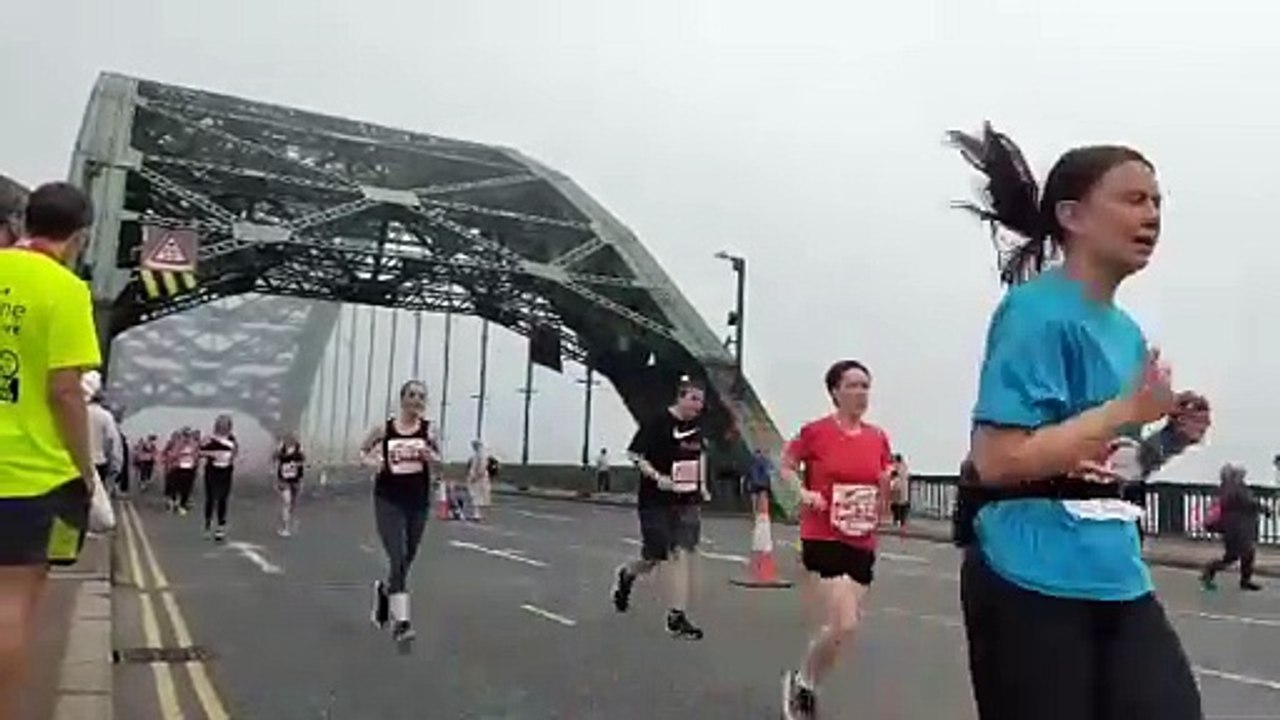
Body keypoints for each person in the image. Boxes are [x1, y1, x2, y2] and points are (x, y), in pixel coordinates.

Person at [948, 123, 1212, 719]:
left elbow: (1112, 466)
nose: (1152, 216)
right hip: (1029, 570)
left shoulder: (1126, 332)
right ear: (1073, 215)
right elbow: (997, 459)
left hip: (1116, 570)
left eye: (1157, 202)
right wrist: (1125, 410)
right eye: (1133, 198)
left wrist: (1166, 438)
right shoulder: (1034, 313)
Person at [0, 182, 115, 719]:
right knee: (11, 604)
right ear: (81, 236)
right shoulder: (65, 291)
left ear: (24, 222)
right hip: (28, 477)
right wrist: (86, 473)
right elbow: (66, 391)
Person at [778, 360, 893, 720]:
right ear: (835, 392)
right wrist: (803, 492)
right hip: (823, 535)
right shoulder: (816, 432)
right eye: (854, 386)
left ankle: (805, 679)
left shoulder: (878, 438)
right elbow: (785, 464)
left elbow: (882, 490)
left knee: (845, 630)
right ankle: (804, 687)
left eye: (866, 387)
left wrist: (889, 489)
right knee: (844, 622)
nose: (861, 393)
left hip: (861, 537)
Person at [611, 376, 710, 640]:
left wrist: (702, 484)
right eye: (693, 399)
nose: (698, 405)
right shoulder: (657, 423)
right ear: (680, 397)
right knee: (655, 556)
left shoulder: (697, 428)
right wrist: (657, 477)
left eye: (701, 401)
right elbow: (635, 455)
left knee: (681, 552)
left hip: (686, 500)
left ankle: (676, 616)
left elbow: (700, 456)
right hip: (655, 500)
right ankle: (627, 574)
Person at [359, 380, 438, 645]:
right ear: (402, 399)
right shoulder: (385, 429)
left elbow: (440, 460)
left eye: (421, 396)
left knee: (407, 559)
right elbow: (362, 451)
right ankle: (402, 624)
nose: (417, 400)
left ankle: (384, 592)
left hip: (417, 503)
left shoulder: (430, 430)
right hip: (388, 501)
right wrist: (373, 461)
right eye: (412, 395)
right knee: (398, 556)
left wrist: (431, 457)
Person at [1201, 463, 1272, 592]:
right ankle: (1214, 573)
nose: (1243, 476)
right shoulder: (1235, 489)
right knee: (1245, 554)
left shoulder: (1228, 488)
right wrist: (1264, 509)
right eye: (1241, 474)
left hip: (1234, 528)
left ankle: (1211, 572)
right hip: (1236, 529)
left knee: (1235, 556)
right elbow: (1248, 503)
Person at [200, 415, 238, 541]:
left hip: (225, 471)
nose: (223, 428)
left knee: (223, 498)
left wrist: (228, 456)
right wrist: (213, 454)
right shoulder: (209, 439)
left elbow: (234, 453)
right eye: (221, 425)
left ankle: (220, 526)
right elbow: (199, 452)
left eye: (226, 425)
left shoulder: (232, 439)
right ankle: (208, 525)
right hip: (212, 471)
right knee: (210, 498)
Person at [274, 433, 306, 537]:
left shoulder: (299, 449)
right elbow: (274, 458)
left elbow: (303, 462)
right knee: (286, 502)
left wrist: (297, 464)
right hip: (284, 480)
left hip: (295, 480)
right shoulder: (281, 449)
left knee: (293, 504)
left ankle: (291, 521)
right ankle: (285, 527)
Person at [888, 453, 911, 530]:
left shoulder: (898, 466)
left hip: (898, 487)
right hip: (899, 487)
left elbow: (893, 474)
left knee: (897, 505)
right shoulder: (904, 467)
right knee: (899, 504)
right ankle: (900, 520)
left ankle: (899, 520)